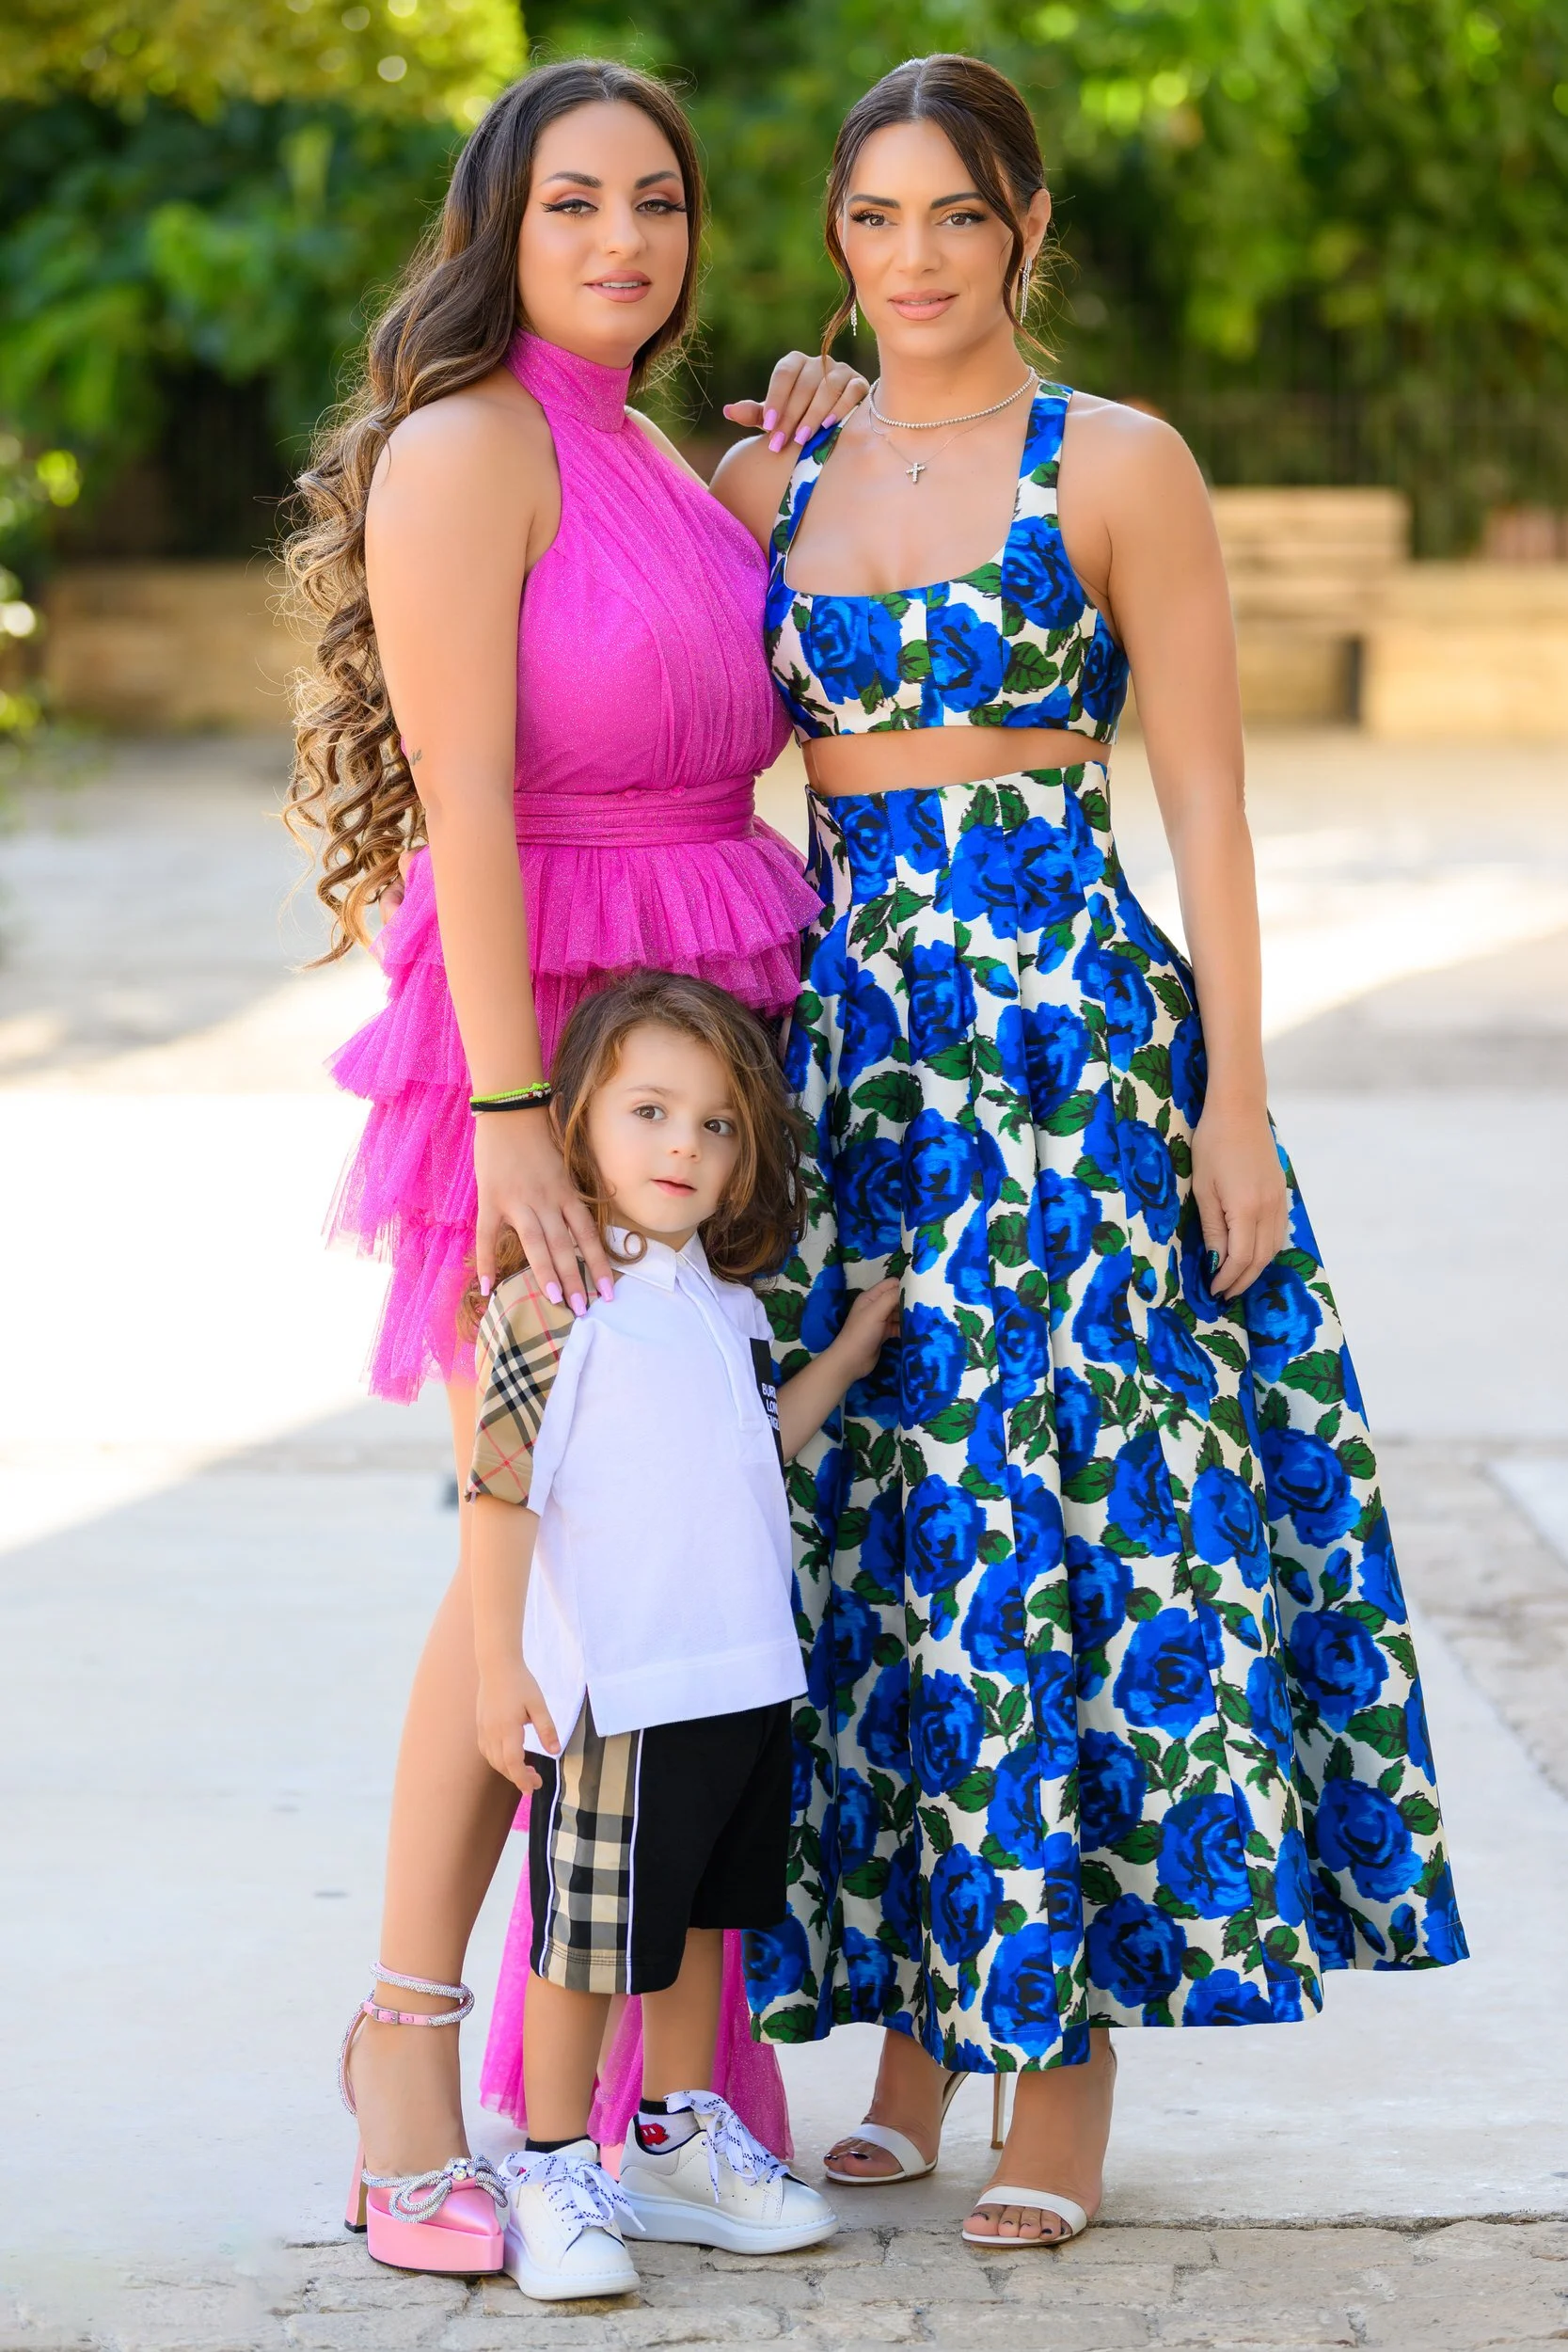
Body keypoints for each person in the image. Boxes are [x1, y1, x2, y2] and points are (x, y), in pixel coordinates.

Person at [713, 53, 1466, 2251]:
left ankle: (1056, 2062)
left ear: (1025, 228)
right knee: (882, 1522)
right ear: (835, 240)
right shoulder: (784, 466)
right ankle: (909, 2034)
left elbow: (1209, 804)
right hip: (855, 1067)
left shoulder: (1115, 461)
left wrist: (1235, 1097)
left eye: (955, 214)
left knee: (1062, 1531)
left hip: (1069, 1063)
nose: (914, 256)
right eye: (872, 218)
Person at [287, 58, 870, 2272]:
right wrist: (520, 1119)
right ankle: (409, 2058)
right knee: (515, 1573)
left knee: (675, 1563)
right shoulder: (465, 447)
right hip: (536, 1049)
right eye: (572, 207)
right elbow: (460, 798)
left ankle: (656, 2088)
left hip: (701, 1057)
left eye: (657, 203)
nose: (621, 240)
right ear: (499, 230)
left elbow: (725, 641)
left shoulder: (655, 451)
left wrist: (778, 458)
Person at [457, 972, 898, 2298]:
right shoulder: (553, 1300)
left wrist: (845, 1356)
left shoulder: (728, 1307)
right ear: (582, 1118)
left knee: (708, 1921)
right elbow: (496, 1488)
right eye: (649, 1111)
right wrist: (499, 1671)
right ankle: (550, 2162)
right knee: (587, 1939)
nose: (683, 1148)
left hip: (740, 1675)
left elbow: (749, 1456)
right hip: (619, 1686)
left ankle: (675, 2138)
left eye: (715, 1126)